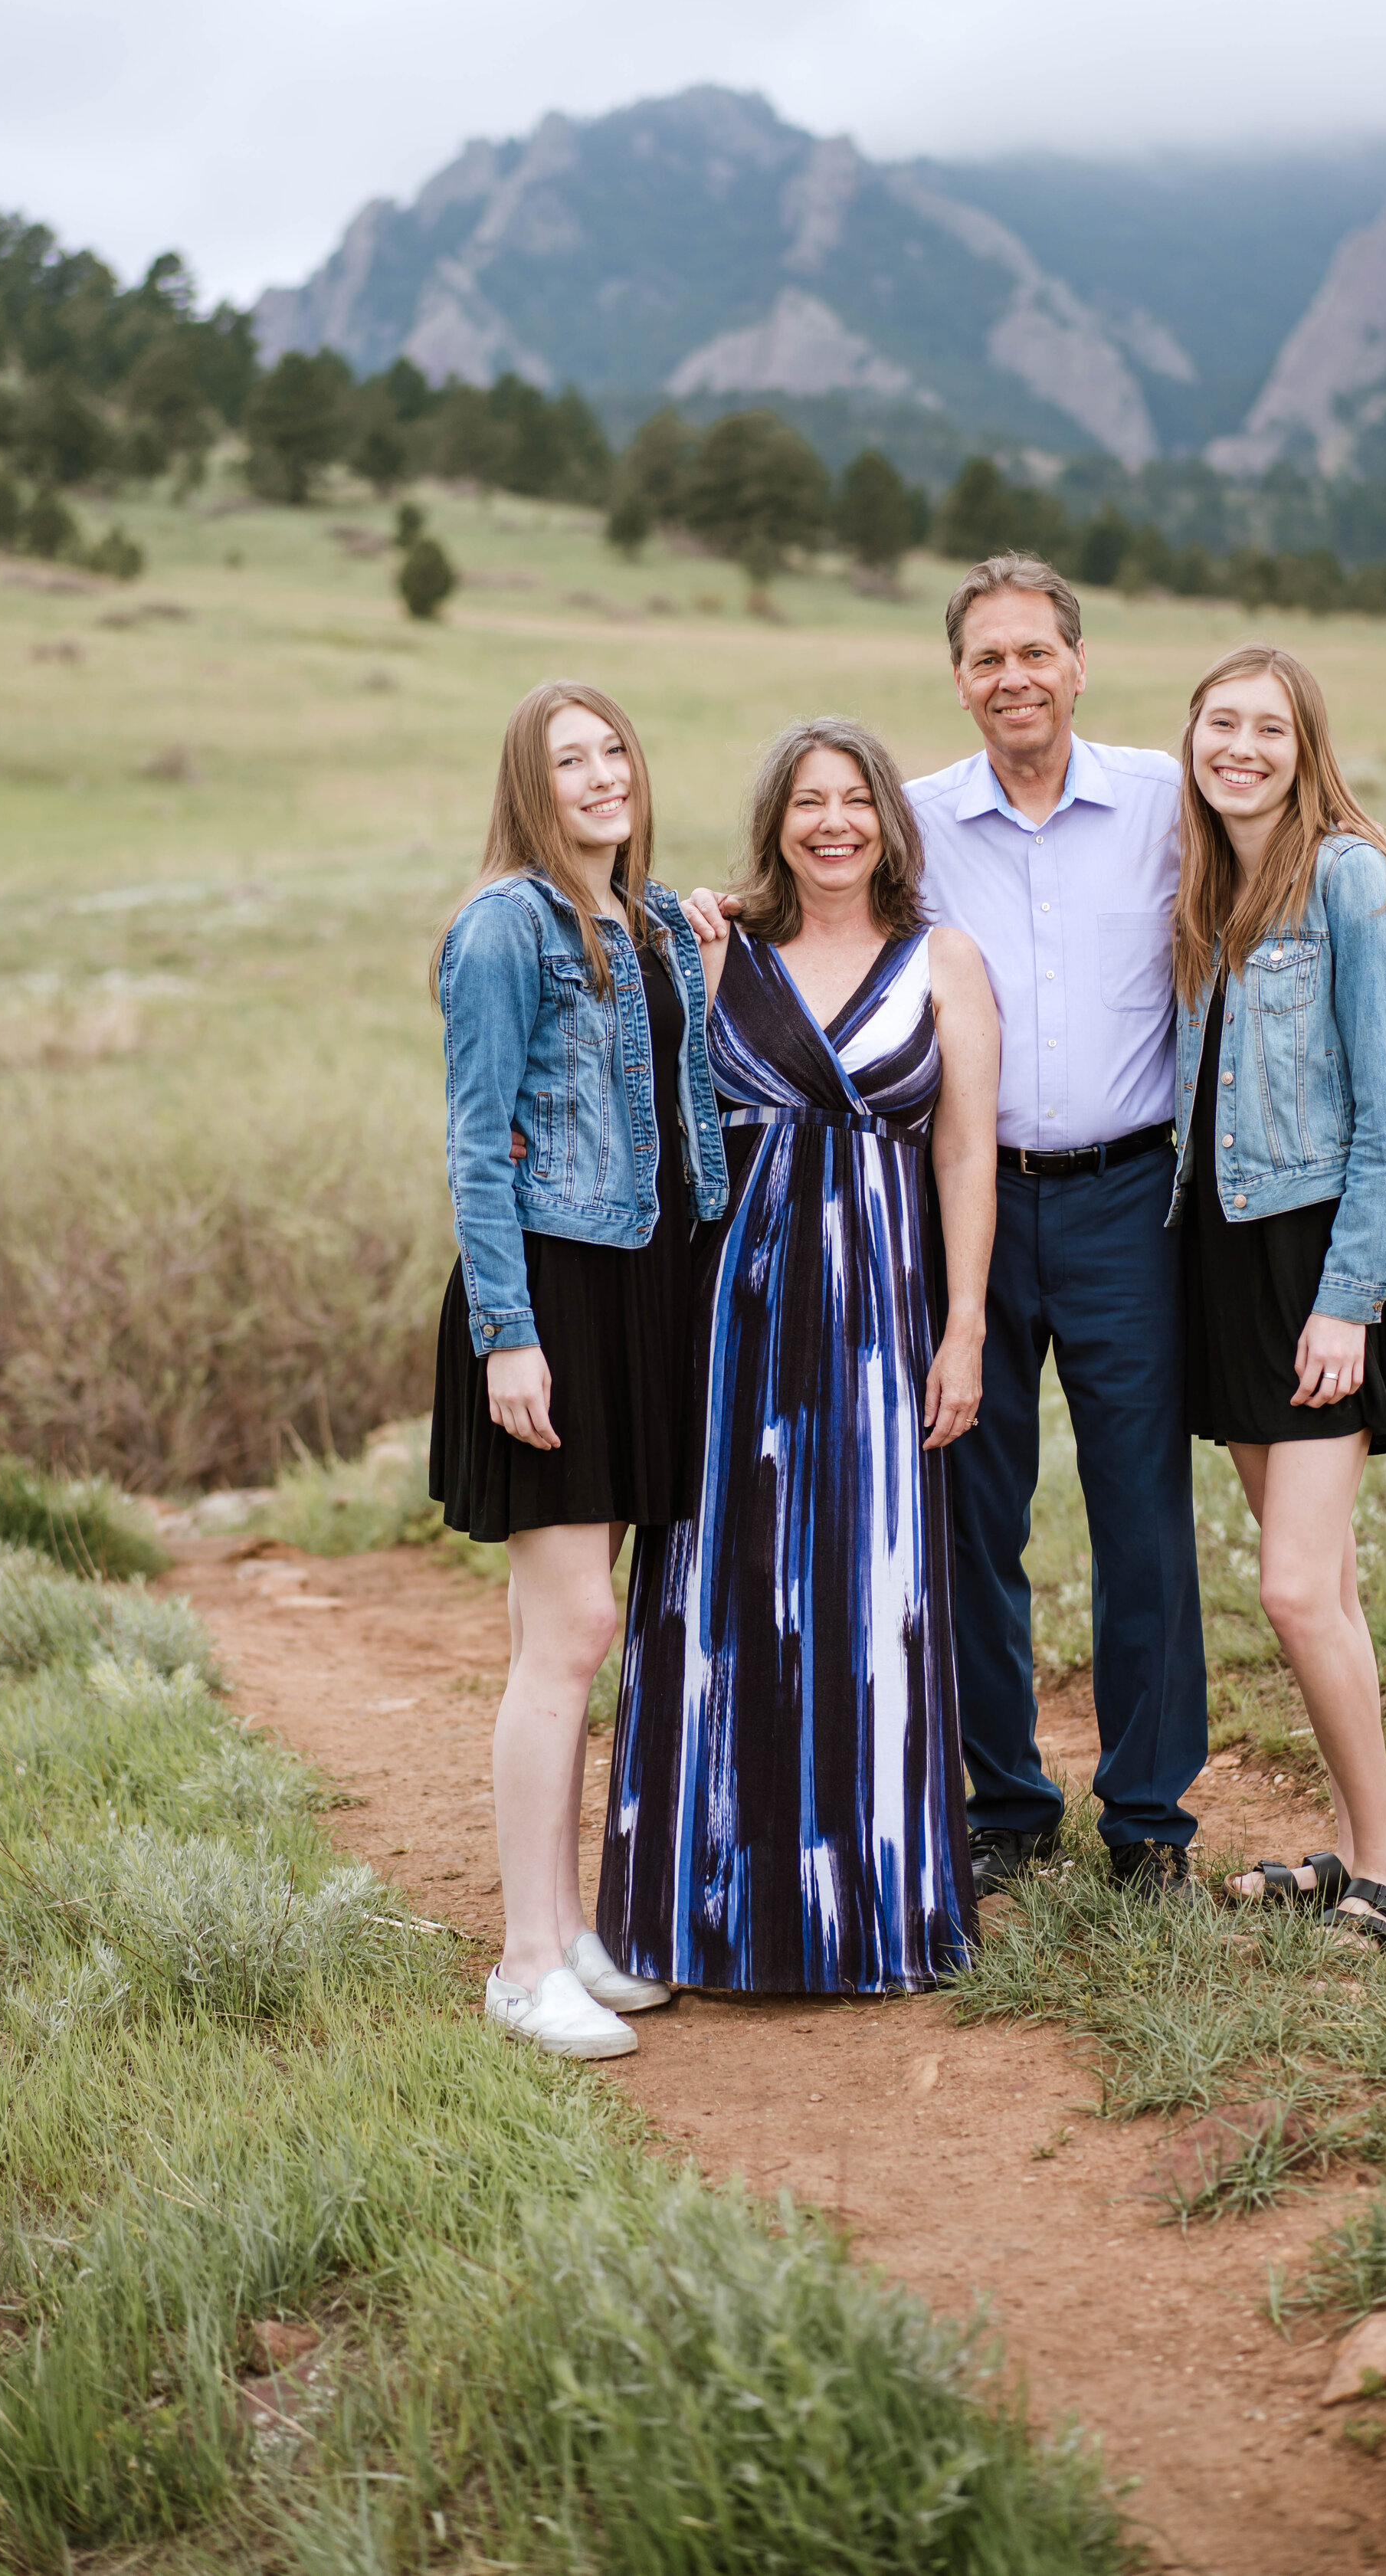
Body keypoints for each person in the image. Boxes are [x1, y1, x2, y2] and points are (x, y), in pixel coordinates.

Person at [598, 719, 1000, 1991]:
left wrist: (968, 1326)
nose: (833, 824)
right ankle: (694, 1909)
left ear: (888, 819)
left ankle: (869, 1910)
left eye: (855, 802)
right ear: (774, 821)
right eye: (808, 803)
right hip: (735, 1322)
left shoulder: (947, 960)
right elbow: (656, 1113)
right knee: (718, 1599)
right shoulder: (722, 948)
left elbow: (966, 1154)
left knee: (873, 1593)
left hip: (884, 1316)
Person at [430, 679, 729, 2056]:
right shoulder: (504, 928)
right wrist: (508, 1338)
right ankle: (522, 1959)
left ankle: (570, 1932)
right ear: (529, 784)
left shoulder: (656, 920)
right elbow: (478, 1145)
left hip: (646, 1288)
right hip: (552, 1292)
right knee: (572, 1635)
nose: (604, 773)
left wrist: (714, 958)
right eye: (571, 759)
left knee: (572, 1630)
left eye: (616, 748)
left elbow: (683, 1096)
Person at [908, 557, 1208, 1901]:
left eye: (1037, 653)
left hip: (1128, 1201)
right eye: (988, 658)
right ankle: (1009, 1808)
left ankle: (1149, 1823)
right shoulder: (912, 825)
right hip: (965, 1212)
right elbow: (802, 909)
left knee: (1141, 1514)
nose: (1014, 678)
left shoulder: (1164, 799)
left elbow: (1288, 849)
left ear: (1079, 665)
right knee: (973, 1510)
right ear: (959, 678)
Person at [1171, 643, 1386, 1948]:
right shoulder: (1207, 890)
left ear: (1306, 745)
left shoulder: (1352, 881)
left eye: (1270, 729)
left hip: (1318, 1269)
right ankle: (1350, 1844)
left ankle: (1385, 1865)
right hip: (1224, 1267)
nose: (1243, 748)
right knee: (1321, 1585)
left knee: (1290, 1588)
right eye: (1222, 724)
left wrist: (1349, 1301)